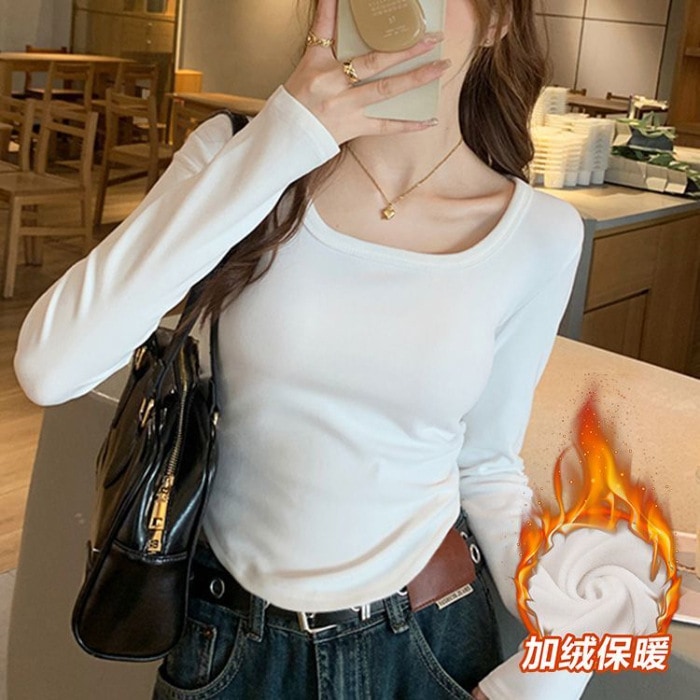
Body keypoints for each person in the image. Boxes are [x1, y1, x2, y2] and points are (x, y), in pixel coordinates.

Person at [14, 0, 597, 697]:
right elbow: (50, 366)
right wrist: (285, 138)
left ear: (498, 20)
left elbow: (489, 465)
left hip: (423, 644)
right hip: (226, 646)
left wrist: (558, 668)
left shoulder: (539, 235)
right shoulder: (243, 156)